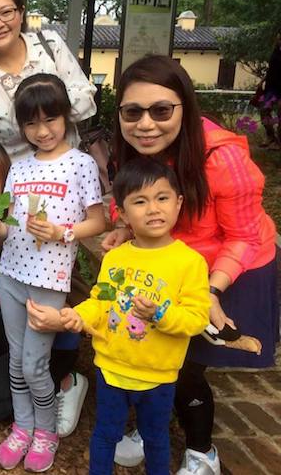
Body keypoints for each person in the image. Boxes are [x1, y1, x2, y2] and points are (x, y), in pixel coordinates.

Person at [102, 55, 278, 475]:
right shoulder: (132, 150)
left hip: (232, 266)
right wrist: (124, 230)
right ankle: (150, 428)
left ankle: (202, 451)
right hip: (172, 263)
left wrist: (210, 291)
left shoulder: (221, 157)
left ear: (185, 106)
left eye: (161, 110)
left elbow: (244, 235)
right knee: (156, 352)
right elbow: (128, 198)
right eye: (133, 112)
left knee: (186, 365)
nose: (146, 124)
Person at [53, 157, 210, 475]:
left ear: (178, 204)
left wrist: (160, 314)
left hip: (158, 375)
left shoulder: (189, 263)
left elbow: (196, 319)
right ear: (122, 213)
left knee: (155, 438)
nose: (153, 209)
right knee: (105, 434)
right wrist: (77, 316)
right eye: (140, 201)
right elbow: (101, 301)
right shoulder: (116, 258)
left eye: (162, 198)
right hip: (112, 369)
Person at [0, 73, 105, 472]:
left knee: (34, 364)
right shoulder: (18, 168)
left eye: (50, 119)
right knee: (15, 359)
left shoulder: (81, 164)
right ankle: (22, 428)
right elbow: (9, 221)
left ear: (66, 116)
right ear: (21, 126)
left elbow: (98, 221)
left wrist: (61, 231)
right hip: (10, 274)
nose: (42, 131)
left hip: (49, 281)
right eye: (31, 123)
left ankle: (46, 430)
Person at [0, 0, 96, 162]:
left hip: (71, 174)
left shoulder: (50, 46)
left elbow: (86, 96)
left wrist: (40, 110)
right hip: (17, 184)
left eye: (6, 12)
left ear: (21, 13)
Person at [259, 30, 281, 148]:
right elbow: (272, 68)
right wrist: (262, 81)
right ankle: (270, 136)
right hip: (271, 88)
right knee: (264, 110)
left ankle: (279, 141)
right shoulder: (276, 50)